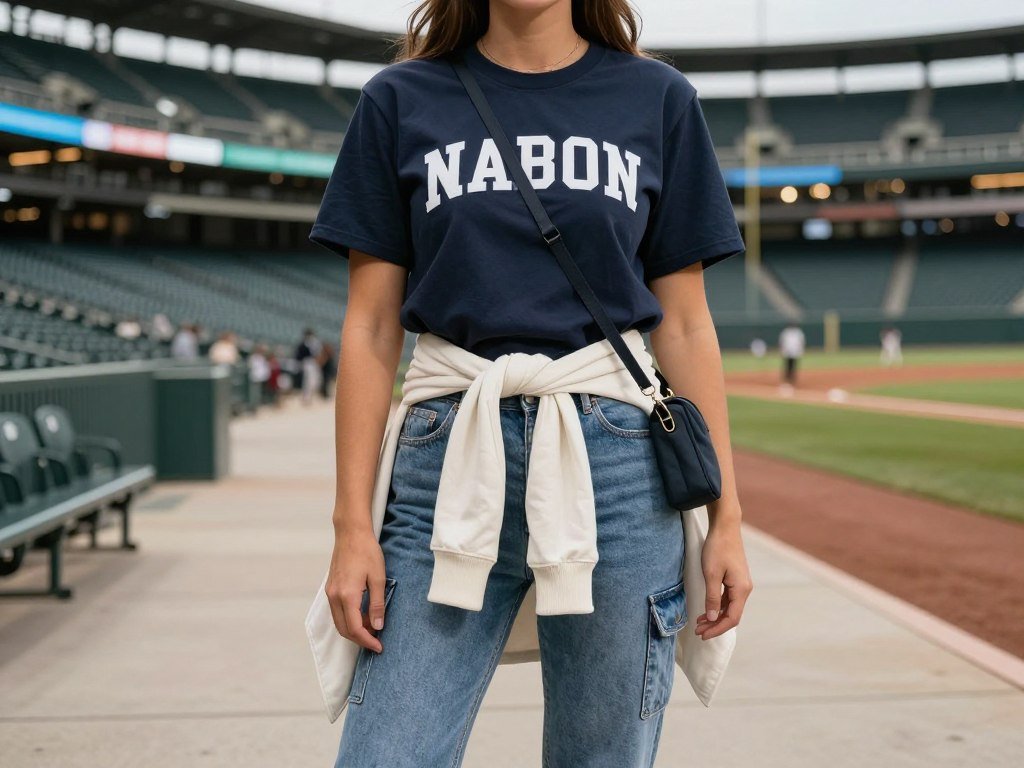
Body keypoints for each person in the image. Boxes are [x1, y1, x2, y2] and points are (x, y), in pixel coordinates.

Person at [308, 5, 753, 766]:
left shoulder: (658, 99)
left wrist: (727, 520)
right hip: (445, 457)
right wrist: (352, 529)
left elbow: (684, 326)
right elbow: (372, 326)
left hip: (618, 465)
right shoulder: (399, 99)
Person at [295, 328, 323, 405]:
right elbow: (299, 356)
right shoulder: (303, 344)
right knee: (307, 382)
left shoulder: (315, 343)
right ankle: (306, 397)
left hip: (314, 363)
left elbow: (318, 354)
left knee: (314, 381)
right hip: (307, 363)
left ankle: (311, 396)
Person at [778, 322, 805, 388]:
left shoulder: (798, 332)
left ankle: (792, 377)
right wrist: (782, 349)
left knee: (793, 365)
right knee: (787, 364)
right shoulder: (786, 332)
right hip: (787, 351)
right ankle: (787, 377)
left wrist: (800, 350)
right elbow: (782, 342)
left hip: (795, 351)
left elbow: (801, 342)